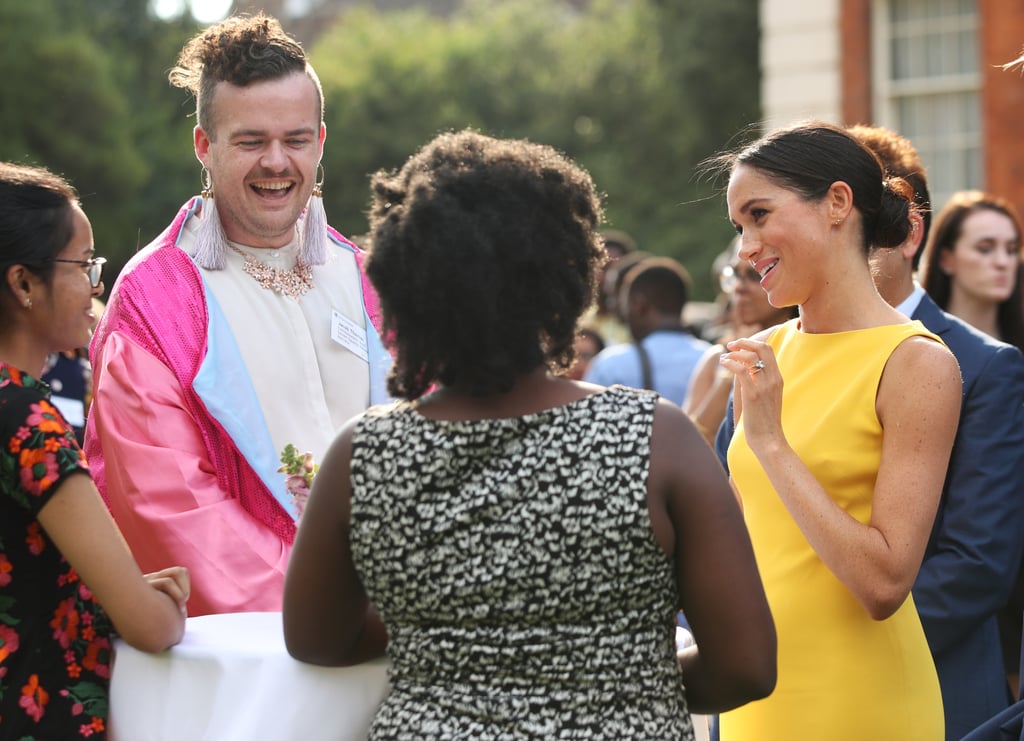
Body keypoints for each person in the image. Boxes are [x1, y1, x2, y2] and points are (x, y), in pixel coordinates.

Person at [283, 129, 777, 738]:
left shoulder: (364, 455)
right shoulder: (654, 438)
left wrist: (457, 632)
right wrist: (623, 680)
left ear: (402, 285)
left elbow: (315, 640)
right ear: (567, 278)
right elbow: (746, 666)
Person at [83, 13, 390, 617]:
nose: (276, 162)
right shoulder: (155, 298)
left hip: (391, 635)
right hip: (247, 656)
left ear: (321, 141)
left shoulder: (367, 277)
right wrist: (326, 610)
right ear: (205, 145)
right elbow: (166, 502)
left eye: (295, 140)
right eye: (251, 141)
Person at [709, 121, 961, 740]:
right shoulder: (764, 351)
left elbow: (884, 583)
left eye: (760, 214)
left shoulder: (918, 362)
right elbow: (743, 545)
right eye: (739, 226)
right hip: (756, 699)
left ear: (838, 204)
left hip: (862, 704)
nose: (747, 247)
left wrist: (770, 440)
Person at [847, 124, 1024, 739]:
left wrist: (832, 644)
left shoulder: (986, 367)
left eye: (849, 226)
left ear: (906, 234)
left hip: (929, 693)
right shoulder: (766, 362)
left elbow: (977, 562)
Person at [0, 162, 189, 738]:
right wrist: (158, 602)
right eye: (84, 265)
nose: (97, 284)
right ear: (24, 283)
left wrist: (102, 593)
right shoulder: (29, 423)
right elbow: (152, 628)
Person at [682, 237, 795, 446]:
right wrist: (732, 373)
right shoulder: (717, 358)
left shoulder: (801, 351)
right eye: (734, 275)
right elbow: (689, 445)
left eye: (754, 274)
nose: (739, 288)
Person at [584, 256, 710, 405]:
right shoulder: (717, 361)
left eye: (625, 305)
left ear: (639, 305)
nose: (621, 314)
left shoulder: (611, 365)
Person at [919, 190, 1024, 352]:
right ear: (945, 259)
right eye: (985, 249)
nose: (1003, 262)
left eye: (1011, 250)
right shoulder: (919, 341)